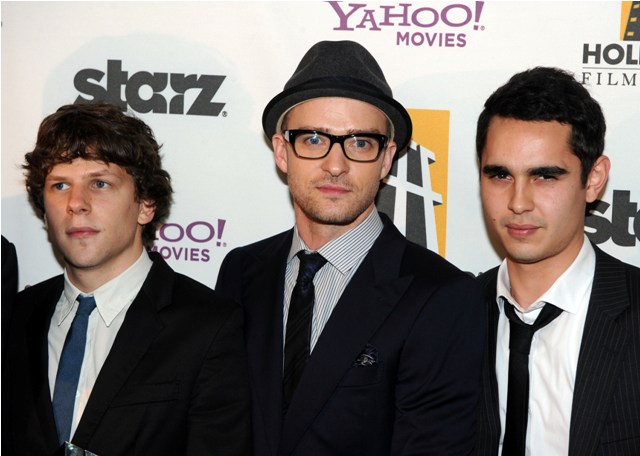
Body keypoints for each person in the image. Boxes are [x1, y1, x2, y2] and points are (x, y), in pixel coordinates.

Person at [215, 40, 485, 455]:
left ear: (386, 159)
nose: (336, 165)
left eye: (360, 143)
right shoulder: (241, 271)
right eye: (313, 139)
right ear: (282, 152)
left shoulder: (442, 297)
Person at [7, 103, 251, 455]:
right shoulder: (15, 315)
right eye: (60, 185)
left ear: (145, 205)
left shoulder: (207, 326)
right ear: (43, 210)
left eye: (100, 183)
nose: (76, 203)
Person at [475, 67, 640, 456]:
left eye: (545, 177)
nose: (518, 202)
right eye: (500, 175)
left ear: (593, 179)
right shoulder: (448, 314)